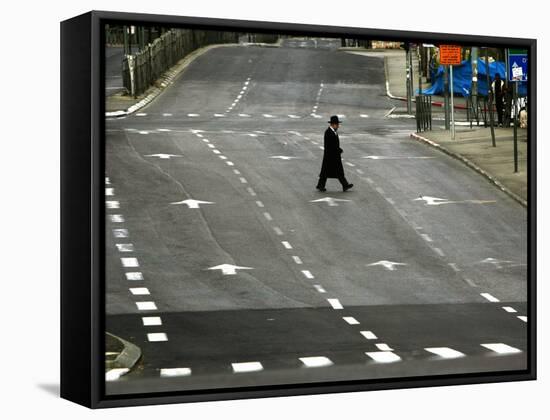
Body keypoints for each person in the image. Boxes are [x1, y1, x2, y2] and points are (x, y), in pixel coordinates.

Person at [316, 115, 353, 192]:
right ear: (333, 124)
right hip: (330, 156)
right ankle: (321, 185)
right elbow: (330, 145)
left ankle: (344, 185)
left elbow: (334, 144)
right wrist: (338, 150)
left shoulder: (333, 132)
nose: (338, 126)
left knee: (333, 171)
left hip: (334, 155)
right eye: (337, 124)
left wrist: (338, 149)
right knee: (327, 172)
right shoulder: (328, 132)